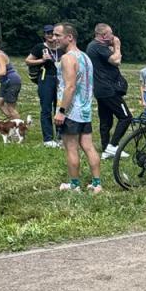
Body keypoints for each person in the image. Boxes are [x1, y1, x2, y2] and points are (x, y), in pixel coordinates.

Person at [51, 22, 102, 194]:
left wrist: (61, 111)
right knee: (88, 146)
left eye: (58, 35)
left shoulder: (67, 58)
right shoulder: (86, 57)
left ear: (70, 37)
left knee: (71, 148)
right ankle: (97, 184)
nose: (54, 38)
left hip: (72, 111)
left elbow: (70, 87)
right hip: (85, 110)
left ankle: (74, 185)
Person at [87, 22, 132, 159]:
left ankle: (106, 149)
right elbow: (116, 60)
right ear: (103, 35)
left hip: (100, 89)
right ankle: (113, 145)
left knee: (106, 120)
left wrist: (112, 48)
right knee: (126, 117)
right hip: (108, 89)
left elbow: (115, 60)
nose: (113, 36)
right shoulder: (98, 46)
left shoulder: (95, 46)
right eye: (111, 33)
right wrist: (117, 45)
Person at [25, 25, 60, 147]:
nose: (50, 35)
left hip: (60, 79)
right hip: (46, 78)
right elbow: (28, 61)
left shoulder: (61, 47)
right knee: (46, 108)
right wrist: (42, 60)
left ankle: (60, 137)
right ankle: (48, 139)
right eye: (47, 33)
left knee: (59, 107)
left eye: (52, 33)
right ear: (44, 35)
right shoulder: (40, 47)